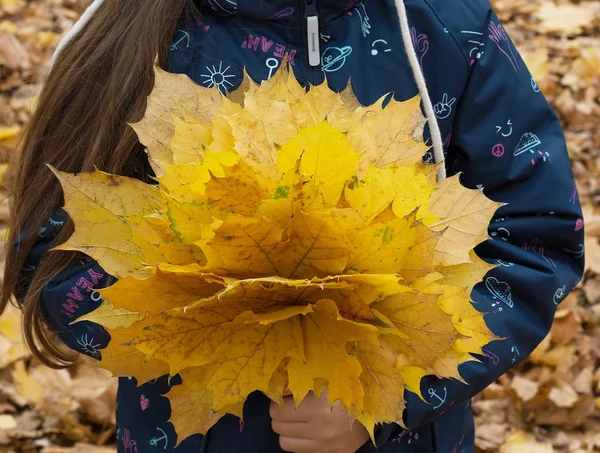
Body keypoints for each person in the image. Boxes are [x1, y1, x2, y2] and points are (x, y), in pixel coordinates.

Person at [0, 0, 585, 452]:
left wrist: (388, 397)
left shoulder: (443, 30)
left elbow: (535, 232)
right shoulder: (122, 33)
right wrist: (189, 328)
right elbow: (45, 250)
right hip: (185, 434)